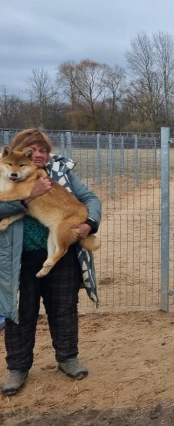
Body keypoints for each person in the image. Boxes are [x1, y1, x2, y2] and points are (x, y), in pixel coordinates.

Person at [0, 128, 101, 396]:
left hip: (60, 255)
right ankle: (18, 368)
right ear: (20, 151)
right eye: (33, 149)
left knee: (64, 308)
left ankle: (67, 358)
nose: (40, 154)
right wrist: (29, 194)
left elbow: (89, 198)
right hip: (18, 257)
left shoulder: (62, 172)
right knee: (20, 313)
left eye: (43, 150)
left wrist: (90, 224)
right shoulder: (6, 175)